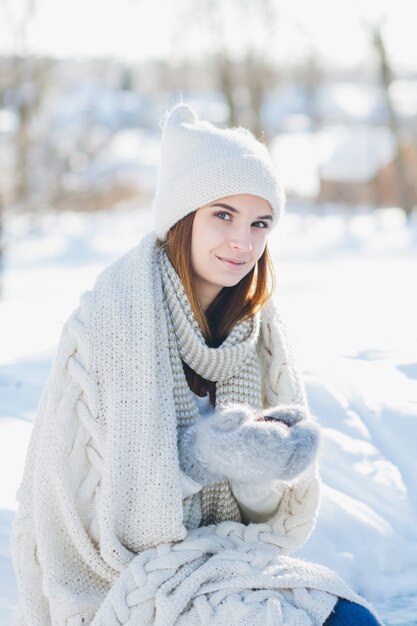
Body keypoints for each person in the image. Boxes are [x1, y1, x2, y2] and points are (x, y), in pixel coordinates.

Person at [11, 102, 383, 625]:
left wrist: (265, 466)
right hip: (119, 576)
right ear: (183, 217)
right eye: (223, 215)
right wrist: (201, 456)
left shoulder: (257, 329)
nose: (243, 242)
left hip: (224, 563)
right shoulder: (110, 322)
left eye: (260, 223)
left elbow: (269, 525)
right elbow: (111, 525)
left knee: (355, 619)